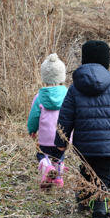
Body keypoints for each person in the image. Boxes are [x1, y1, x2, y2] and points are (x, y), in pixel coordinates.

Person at [55, 41, 110, 218]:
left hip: (84, 144)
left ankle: (83, 197)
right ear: (106, 62)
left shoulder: (74, 88)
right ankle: (100, 217)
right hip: (109, 145)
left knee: (87, 169)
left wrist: (61, 141)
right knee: (103, 178)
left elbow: (65, 117)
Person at [27, 53, 68, 189]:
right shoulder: (68, 95)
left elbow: (34, 116)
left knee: (42, 153)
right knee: (58, 156)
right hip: (62, 135)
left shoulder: (39, 97)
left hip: (45, 136)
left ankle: (46, 168)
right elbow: (72, 114)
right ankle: (57, 178)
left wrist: (32, 129)